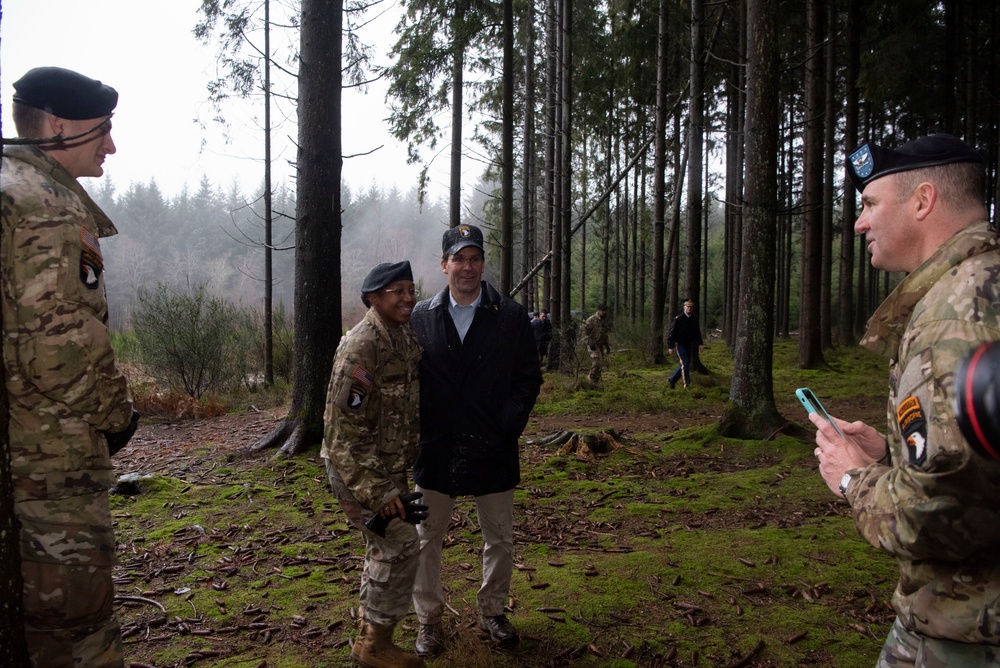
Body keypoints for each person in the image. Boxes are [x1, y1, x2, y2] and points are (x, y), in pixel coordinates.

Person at [810, 134, 1000, 666]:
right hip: (944, 617)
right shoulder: (973, 289)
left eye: (869, 204)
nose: (859, 222)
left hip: (972, 632)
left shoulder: (957, 316)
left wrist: (854, 478)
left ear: (922, 201)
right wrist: (890, 458)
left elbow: (936, 515)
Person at [1, 66, 139, 667]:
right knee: (78, 634)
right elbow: (57, 347)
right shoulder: (48, 206)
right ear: (56, 126)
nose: (111, 144)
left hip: (22, 463)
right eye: (102, 129)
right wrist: (118, 415)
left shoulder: (10, 188)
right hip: (51, 470)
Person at [408, 224, 542, 656]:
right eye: (459, 258)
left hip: (493, 445)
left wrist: (509, 423)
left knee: (499, 537)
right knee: (426, 538)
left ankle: (493, 611)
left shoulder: (510, 315)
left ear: (483, 263)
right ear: (444, 264)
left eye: (475, 258)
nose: (467, 267)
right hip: (437, 448)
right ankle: (428, 619)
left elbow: (527, 378)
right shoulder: (420, 317)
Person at [321, 261, 426, 668]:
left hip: (387, 468)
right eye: (397, 291)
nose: (408, 297)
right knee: (400, 543)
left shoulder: (400, 336)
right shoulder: (362, 345)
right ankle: (373, 646)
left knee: (384, 546)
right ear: (373, 298)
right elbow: (342, 432)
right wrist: (381, 494)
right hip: (359, 473)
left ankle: (370, 636)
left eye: (410, 289)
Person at [666, 299, 705, 390]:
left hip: (688, 344)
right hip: (679, 344)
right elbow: (672, 333)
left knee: (684, 364)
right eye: (688, 307)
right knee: (685, 363)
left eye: (691, 307)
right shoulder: (678, 319)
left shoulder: (694, 318)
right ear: (684, 307)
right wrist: (670, 346)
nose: (690, 309)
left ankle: (672, 379)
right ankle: (686, 385)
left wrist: (700, 343)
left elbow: (697, 332)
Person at [582, 305, 610, 383]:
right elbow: (584, 332)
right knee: (596, 360)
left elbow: (605, 334)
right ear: (598, 310)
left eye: (605, 311)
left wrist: (607, 345)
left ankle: (596, 381)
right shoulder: (591, 319)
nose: (604, 312)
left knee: (600, 362)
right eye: (602, 310)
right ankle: (591, 377)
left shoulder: (604, 320)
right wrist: (589, 341)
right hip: (592, 344)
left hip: (600, 344)